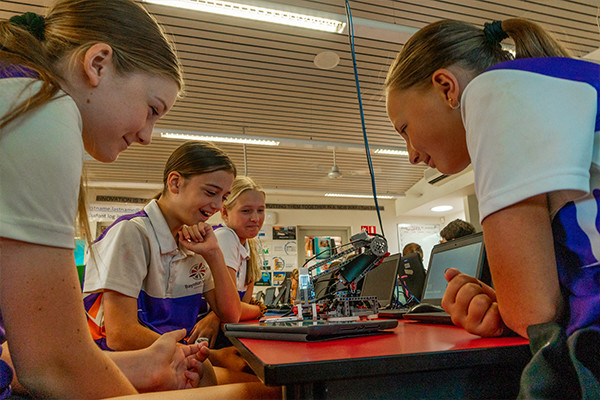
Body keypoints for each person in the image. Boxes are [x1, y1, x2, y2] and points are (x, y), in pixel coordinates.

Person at [385, 17, 600, 397]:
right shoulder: (562, 83)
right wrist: (506, 298)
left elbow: (533, 317)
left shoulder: (494, 92)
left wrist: (510, 305)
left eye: (404, 129)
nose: (411, 155)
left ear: (446, 87)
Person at [0, 0, 204, 397]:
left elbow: (20, 356)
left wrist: (135, 364)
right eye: (151, 109)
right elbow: (53, 364)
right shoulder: (38, 107)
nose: (147, 135)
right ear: (97, 64)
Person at [82, 142, 241, 377]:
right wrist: (212, 356)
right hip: (124, 367)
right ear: (175, 182)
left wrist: (214, 254)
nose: (218, 206)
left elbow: (230, 315)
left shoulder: (195, 241)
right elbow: (120, 335)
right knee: (268, 391)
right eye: (210, 192)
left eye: (224, 196)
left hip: (171, 360)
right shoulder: (133, 232)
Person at [191, 176, 266, 379]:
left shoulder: (247, 245)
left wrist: (243, 310)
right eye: (246, 210)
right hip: (198, 338)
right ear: (224, 212)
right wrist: (260, 309)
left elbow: (243, 303)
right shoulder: (225, 237)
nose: (255, 218)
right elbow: (235, 309)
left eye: (260, 210)